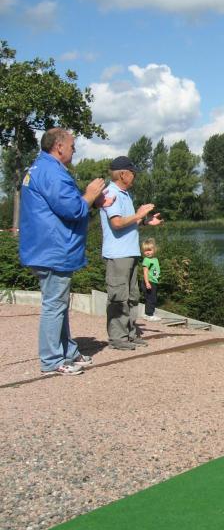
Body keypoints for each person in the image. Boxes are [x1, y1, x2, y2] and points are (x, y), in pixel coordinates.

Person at [19, 128, 110, 375]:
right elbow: (72, 209)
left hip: (44, 248)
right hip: (53, 249)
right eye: (72, 145)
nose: (74, 150)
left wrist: (92, 202)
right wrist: (90, 194)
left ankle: (68, 352)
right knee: (54, 305)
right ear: (59, 146)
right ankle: (51, 360)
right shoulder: (52, 173)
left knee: (58, 303)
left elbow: (64, 205)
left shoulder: (39, 168)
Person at [99, 156, 162, 350]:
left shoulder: (125, 194)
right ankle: (118, 338)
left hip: (130, 253)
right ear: (122, 174)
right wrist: (139, 214)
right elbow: (117, 223)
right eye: (133, 173)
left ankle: (130, 334)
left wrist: (144, 221)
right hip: (118, 255)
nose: (135, 176)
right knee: (118, 297)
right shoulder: (111, 193)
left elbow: (128, 222)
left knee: (133, 296)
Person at [140, 237, 162, 322]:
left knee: (153, 298)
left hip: (153, 282)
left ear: (154, 250)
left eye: (149, 250)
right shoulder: (146, 260)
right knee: (151, 299)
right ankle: (149, 315)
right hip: (149, 282)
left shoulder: (155, 259)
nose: (148, 252)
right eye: (145, 251)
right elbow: (145, 272)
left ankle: (149, 314)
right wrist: (147, 282)